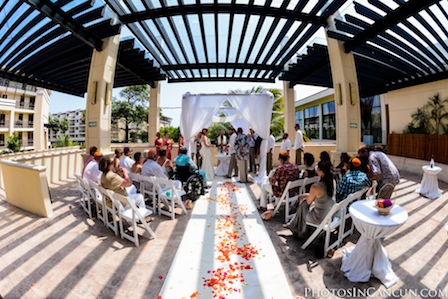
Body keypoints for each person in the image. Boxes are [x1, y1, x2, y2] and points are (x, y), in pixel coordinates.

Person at [284, 161, 335, 238]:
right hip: (329, 214)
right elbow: (322, 196)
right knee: (304, 204)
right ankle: (293, 226)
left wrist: (304, 197)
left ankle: (297, 229)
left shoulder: (316, 186)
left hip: (319, 218)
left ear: (321, 171)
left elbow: (308, 202)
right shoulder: (331, 182)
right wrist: (305, 195)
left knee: (304, 204)